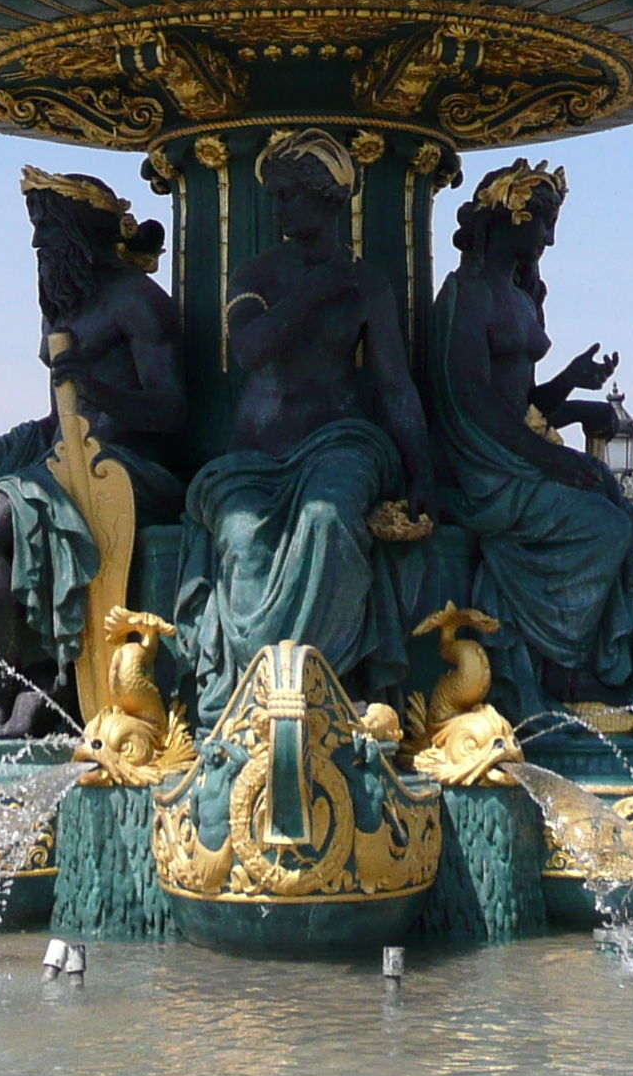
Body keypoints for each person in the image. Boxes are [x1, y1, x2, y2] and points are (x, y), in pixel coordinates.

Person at [0, 168, 188, 737]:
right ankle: (39, 683)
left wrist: (98, 387)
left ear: (84, 237)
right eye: (35, 234)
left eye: (47, 233)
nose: (37, 248)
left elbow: (173, 412)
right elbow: (57, 422)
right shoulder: (62, 309)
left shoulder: (137, 303)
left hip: (131, 475)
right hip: (65, 471)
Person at [172, 130, 436, 719]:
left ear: (329, 198)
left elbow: (394, 387)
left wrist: (423, 473)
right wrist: (316, 290)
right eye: (273, 195)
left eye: (290, 195)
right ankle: (254, 691)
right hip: (256, 456)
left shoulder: (369, 286)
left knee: (327, 516)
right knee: (240, 537)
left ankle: (326, 685)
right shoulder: (253, 277)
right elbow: (249, 350)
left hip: (340, 444)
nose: (277, 208)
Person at [428, 161, 633, 716]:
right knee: (606, 527)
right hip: (483, 475)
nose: (550, 235)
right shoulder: (466, 295)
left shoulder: (518, 295)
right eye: (543, 220)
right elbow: (467, 404)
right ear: (510, 216)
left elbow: (521, 403)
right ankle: (569, 673)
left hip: (518, 461)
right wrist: (551, 459)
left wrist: (571, 385)